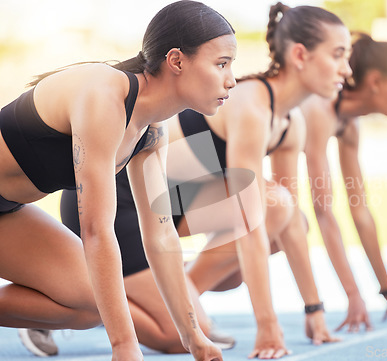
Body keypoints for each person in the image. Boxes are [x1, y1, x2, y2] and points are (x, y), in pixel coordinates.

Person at [39, 2, 351, 359]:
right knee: (177, 336)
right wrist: (266, 326)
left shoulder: (290, 123)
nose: (347, 68)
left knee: (280, 209)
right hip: (125, 203)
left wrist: (315, 310)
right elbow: (249, 226)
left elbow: (288, 223)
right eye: (339, 54)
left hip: (173, 207)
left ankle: (174, 298)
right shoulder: (251, 106)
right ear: (300, 54)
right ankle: (89, 301)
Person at [0, 1, 237, 360]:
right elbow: (96, 228)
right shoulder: (104, 95)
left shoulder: (152, 130)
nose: (231, 79)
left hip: (8, 210)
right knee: (107, 303)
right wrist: (124, 346)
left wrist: (193, 337)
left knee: (93, 302)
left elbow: (160, 235)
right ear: (176, 61)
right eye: (221, 64)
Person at [299, 32, 387, 332]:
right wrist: (353, 297)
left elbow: (360, 212)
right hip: (204, 155)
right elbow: (324, 210)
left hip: (223, 175)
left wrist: (386, 290)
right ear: (375, 81)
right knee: (284, 220)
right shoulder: (319, 108)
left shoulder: (349, 125)